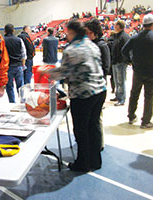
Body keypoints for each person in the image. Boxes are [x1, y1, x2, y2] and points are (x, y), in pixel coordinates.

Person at [41, 19, 106, 172]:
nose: (66, 36)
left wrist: (45, 72)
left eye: (67, 33)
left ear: (72, 32)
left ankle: (82, 163)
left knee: (81, 130)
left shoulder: (72, 49)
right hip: (100, 91)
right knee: (94, 126)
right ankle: (95, 161)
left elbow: (63, 73)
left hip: (83, 94)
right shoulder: (91, 44)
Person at [122, 13, 153, 129]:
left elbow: (124, 50)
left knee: (134, 93)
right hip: (152, 72)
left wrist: (130, 61)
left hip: (137, 71)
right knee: (149, 97)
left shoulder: (135, 37)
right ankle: (146, 121)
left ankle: (131, 116)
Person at [84, 18, 110, 151]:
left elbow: (106, 67)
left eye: (88, 33)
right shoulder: (90, 45)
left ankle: (100, 144)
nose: (86, 36)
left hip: (99, 87)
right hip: (90, 87)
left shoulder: (101, 46)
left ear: (95, 32)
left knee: (97, 117)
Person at [4, 23, 27, 103]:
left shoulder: (2, 41)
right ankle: (23, 102)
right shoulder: (19, 40)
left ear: (5, 31)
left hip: (7, 66)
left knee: (9, 86)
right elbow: (23, 53)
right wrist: (23, 64)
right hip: (18, 65)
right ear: (13, 30)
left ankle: (12, 102)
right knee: (20, 86)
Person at [110, 20, 130, 106]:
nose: (114, 26)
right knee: (116, 80)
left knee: (121, 81)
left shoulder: (124, 37)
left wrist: (125, 60)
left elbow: (126, 50)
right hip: (115, 61)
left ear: (119, 26)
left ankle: (122, 98)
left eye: (115, 25)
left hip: (121, 62)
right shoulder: (116, 36)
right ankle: (118, 95)